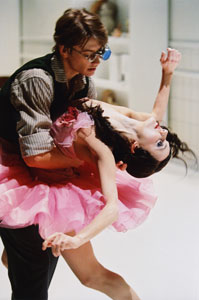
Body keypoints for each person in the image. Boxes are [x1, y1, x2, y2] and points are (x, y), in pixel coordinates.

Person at [0, 30, 194, 299]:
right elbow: (155, 117)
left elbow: (112, 208)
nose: (163, 132)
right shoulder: (124, 120)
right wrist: (168, 74)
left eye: (160, 143)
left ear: (136, 147)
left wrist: (76, 239)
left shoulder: (102, 148)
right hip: (33, 172)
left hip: (55, 192)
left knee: (91, 275)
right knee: (14, 257)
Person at [0, 7, 111, 300]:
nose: (97, 61)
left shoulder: (85, 81)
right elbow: (35, 156)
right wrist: (89, 159)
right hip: (9, 165)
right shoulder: (38, 79)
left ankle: (15, 253)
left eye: (102, 53)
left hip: (39, 165)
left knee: (41, 255)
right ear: (64, 49)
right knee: (37, 267)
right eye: (90, 54)